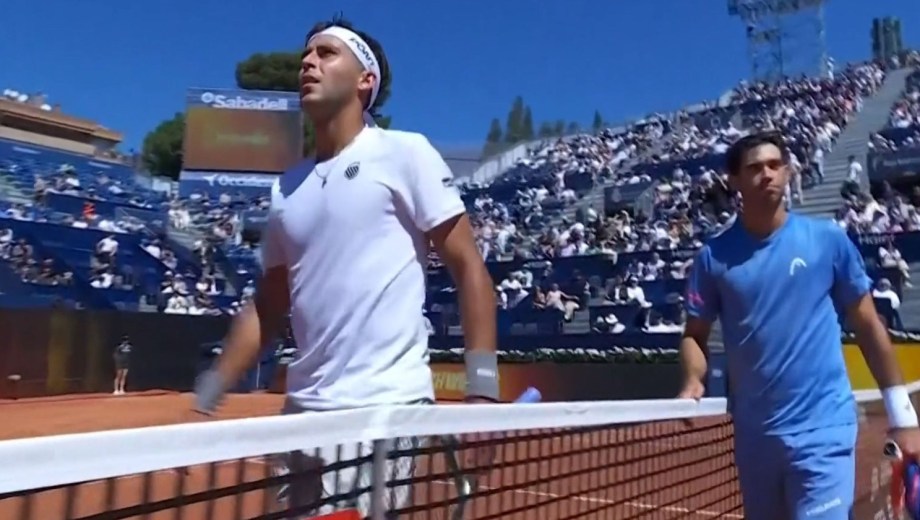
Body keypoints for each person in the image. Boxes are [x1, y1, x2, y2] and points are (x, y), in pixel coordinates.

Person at [191, 16, 498, 518]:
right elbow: (267, 305)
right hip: (300, 417)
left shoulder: (405, 153)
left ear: (365, 81)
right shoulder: (286, 187)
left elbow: (469, 268)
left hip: (380, 412)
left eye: (326, 53)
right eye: (306, 56)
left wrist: (482, 389)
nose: (308, 63)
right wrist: (208, 390)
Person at [678, 131, 920, 520]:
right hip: (756, 439)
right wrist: (693, 380)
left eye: (775, 165)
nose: (767, 174)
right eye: (755, 168)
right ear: (735, 181)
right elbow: (695, 335)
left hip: (824, 429)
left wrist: (903, 417)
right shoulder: (712, 258)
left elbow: (869, 326)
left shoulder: (827, 240)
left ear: (789, 172)